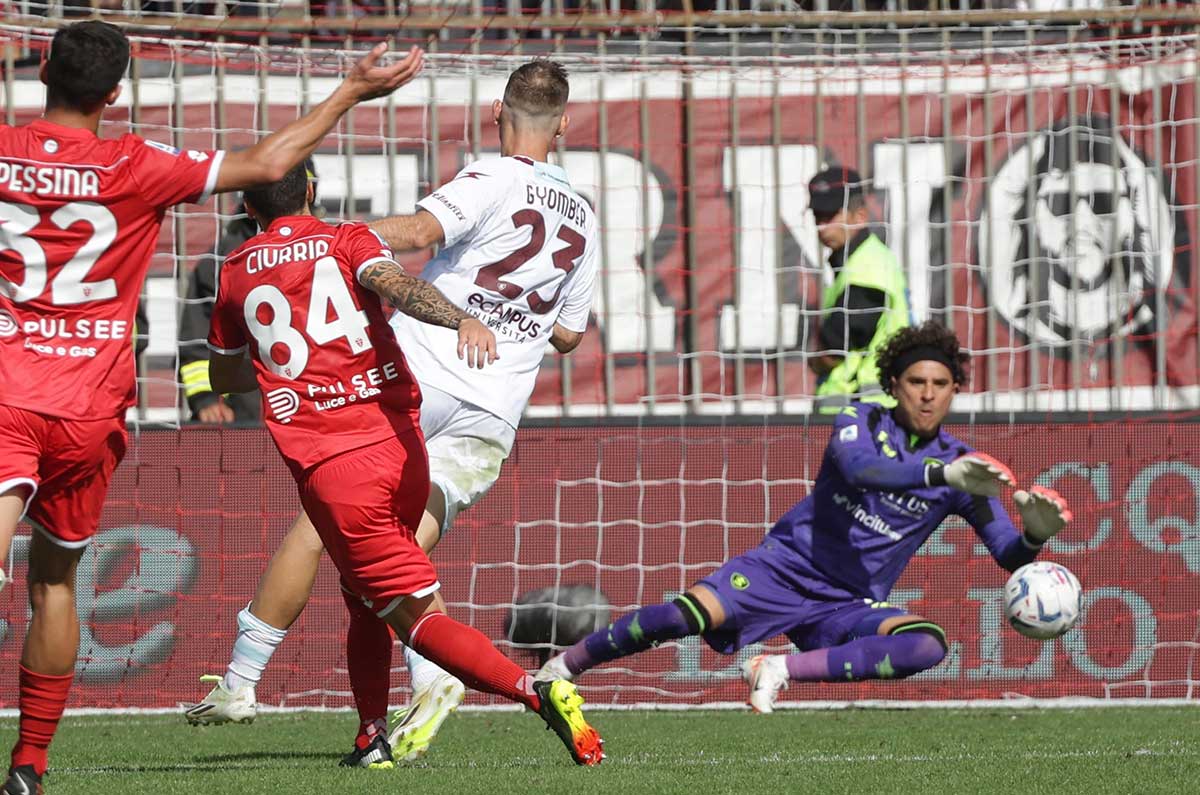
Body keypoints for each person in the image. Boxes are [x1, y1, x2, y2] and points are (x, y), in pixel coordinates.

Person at [0, 20, 424, 794]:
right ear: (117, 93)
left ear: (39, 77)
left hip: (8, 385)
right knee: (53, 582)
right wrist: (354, 89)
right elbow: (266, 161)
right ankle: (28, 765)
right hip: (91, 404)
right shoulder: (137, 162)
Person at [184, 60, 599, 767]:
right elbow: (567, 335)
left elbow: (412, 232)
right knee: (389, 565)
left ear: (499, 114)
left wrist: (305, 240)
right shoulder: (585, 215)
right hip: (491, 411)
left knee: (336, 537)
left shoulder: (491, 176)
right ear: (563, 124)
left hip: (414, 380)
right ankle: (378, 723)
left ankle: (254, 677)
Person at [537, 322, 1073, 713]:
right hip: (783, 569)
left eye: (940, 383)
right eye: (916, 382)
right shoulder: (860, 418)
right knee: (683, 617)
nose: (928, 394)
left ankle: (779, 669)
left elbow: (1009, 555)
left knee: (926, 644)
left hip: (847, 604)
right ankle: (563, 667)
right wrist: (939, 478)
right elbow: (859, 469)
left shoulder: (965, 470)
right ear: (894, 384)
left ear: (956, 388)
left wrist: (1033, 535)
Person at [177, 159, 319, 425]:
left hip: (318, 402)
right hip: (248, 411)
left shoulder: (329, 249)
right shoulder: (222, 260)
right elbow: (196, 336)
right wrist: (206, 399)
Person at [807, 166, 911, 413]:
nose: (822, 226)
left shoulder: (868, 266)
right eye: (817, 217)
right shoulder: (858, 263)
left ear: (860, 216)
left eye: (830, 216)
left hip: (864, 415)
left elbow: (835, 347)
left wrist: (815, 361)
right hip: (859, 411)